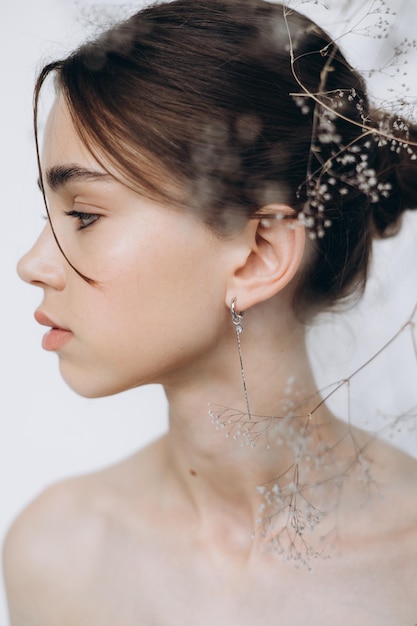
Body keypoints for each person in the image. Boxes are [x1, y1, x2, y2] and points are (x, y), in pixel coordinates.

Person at [3, 0, 417, 623]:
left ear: (259, 255)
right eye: (51, 215)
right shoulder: (57, 553)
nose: (32, 264)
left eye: (84, 215)